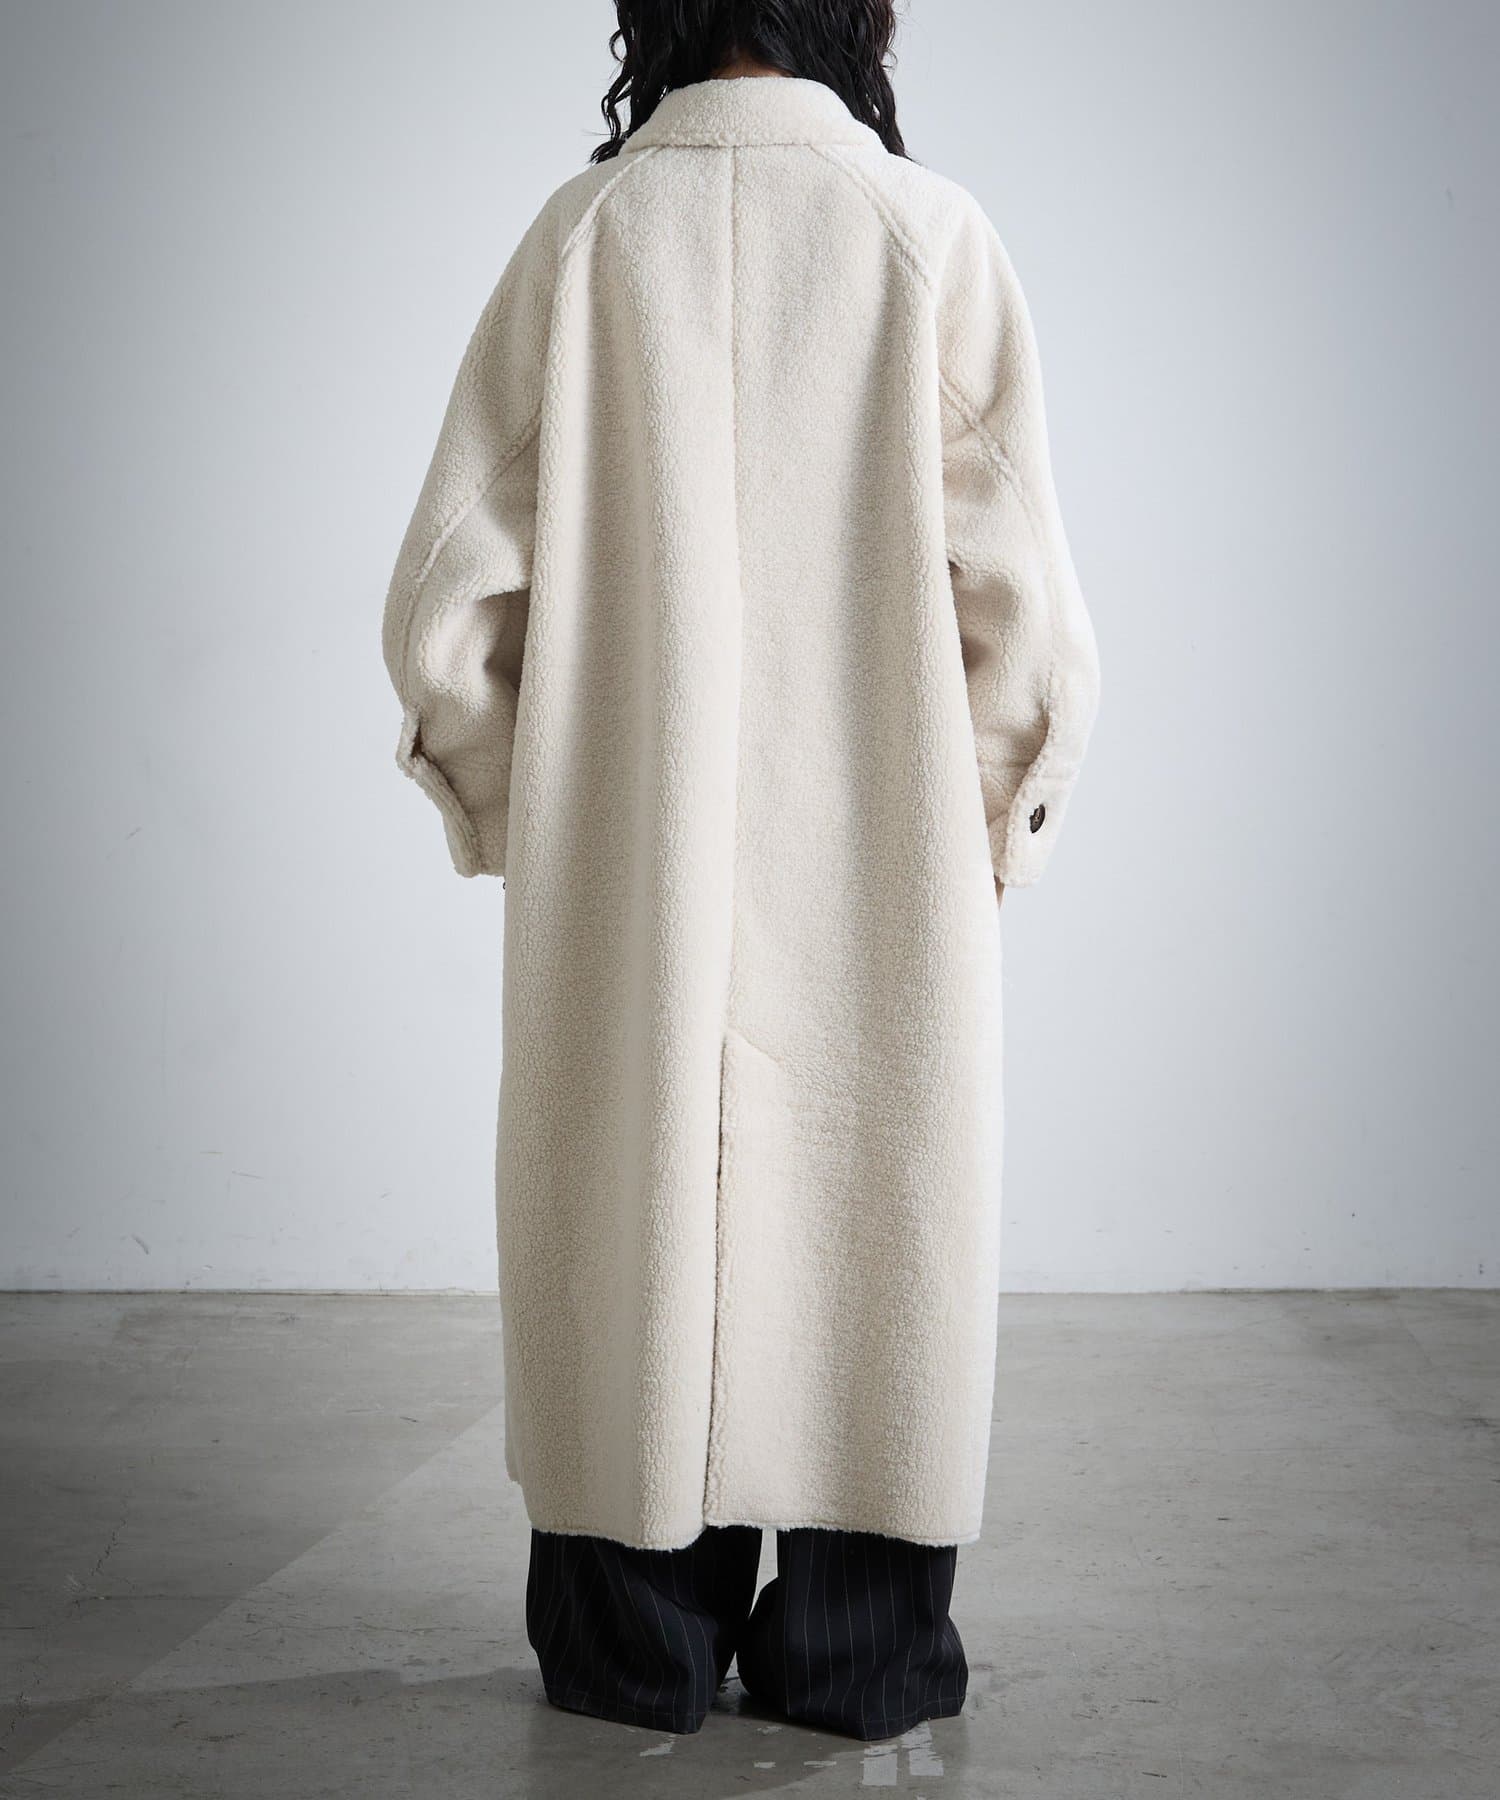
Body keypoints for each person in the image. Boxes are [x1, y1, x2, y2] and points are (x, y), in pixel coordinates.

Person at [379, 0, 1100, 1742]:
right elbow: (1025, 616)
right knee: (879, 1226)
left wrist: (518, 814)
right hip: (885, 857)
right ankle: (859, 1651)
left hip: (622, 861)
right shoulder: (927, 238)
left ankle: (634, 1645)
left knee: (623, 1213)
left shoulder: (586, 239)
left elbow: (447, 602)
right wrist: (986, 829)